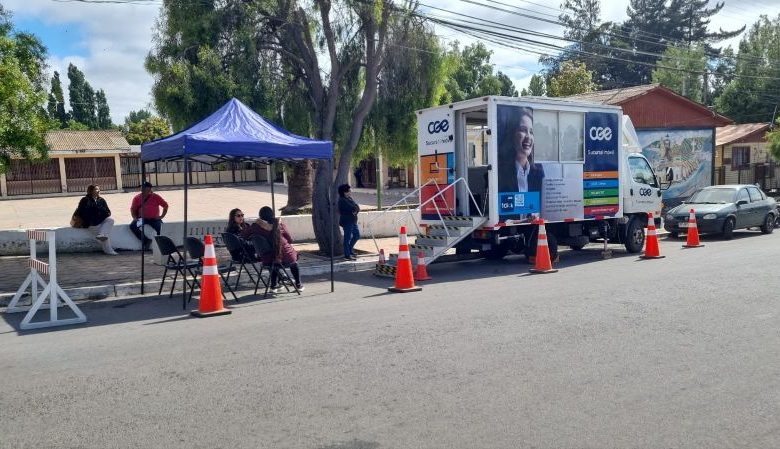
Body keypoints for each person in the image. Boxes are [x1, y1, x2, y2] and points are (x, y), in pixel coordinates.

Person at [241, 206, 303, 292]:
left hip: (267, 260)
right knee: (293, 261)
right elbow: (290, 240)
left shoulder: (256, 226)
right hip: (286, 258)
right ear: (272, 215)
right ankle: (299, 285)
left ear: (260, 217)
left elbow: (244, 235)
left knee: (273, 258)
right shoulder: (279, 225)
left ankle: (274, 285)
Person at [498, 106, 545, 194]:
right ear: (512, 134)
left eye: (531, 132)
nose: (528, 136)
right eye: (523, 130)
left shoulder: (538, 171)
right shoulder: (500, 173)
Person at [75, 185, 117, 255]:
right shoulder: (85, 200)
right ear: (91, 191)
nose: (98, 191)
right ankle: (109, 251)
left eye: (99, 189)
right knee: (104, 236)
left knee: (110, 220)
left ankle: (101, 236)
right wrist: (94, 215)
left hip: (100, 221)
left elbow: (108, 212)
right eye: (96, 189)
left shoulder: (101, 200)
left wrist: (100, 214)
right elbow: (82, 212)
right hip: (90, 224)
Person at [129, 181, 168, 250]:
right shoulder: (137, 198)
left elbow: (165, 205)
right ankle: (146, 241)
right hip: (142, 218)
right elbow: (133, 209)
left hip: (154, 218)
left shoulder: (156, 197)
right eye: (141, 187)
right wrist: (134, 218)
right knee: (132, 226)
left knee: (161, 229)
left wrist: (162, 216)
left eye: (144, 188)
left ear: (149, 188)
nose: (142, 189)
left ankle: (161, 246)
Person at [338, 184, 360, 260]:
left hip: (353, 221)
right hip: (347, 221)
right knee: (347, 238)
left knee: (356, 235)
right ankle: (347, 255)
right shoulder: (342, 200)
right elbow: (352, 208)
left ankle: (350, 250)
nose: (350, 192)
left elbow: (357, 207)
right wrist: (355, 209)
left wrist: (355, 209)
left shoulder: (349, 198)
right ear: (345, 192)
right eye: (349, 190)